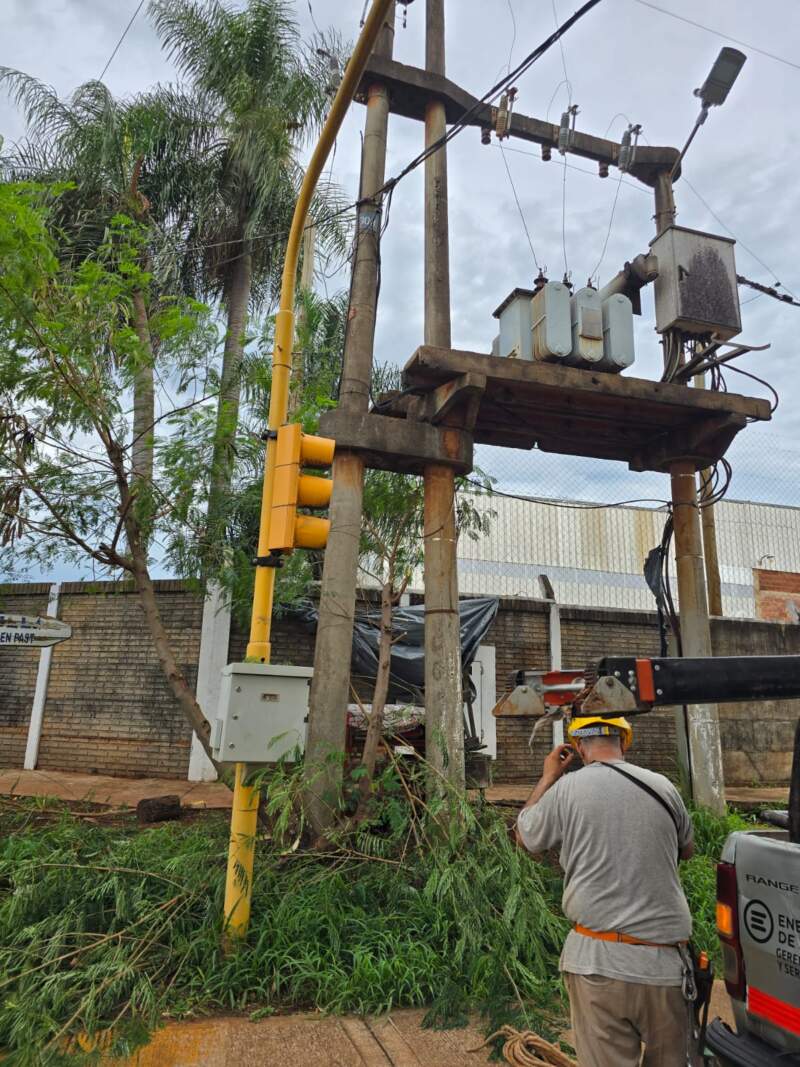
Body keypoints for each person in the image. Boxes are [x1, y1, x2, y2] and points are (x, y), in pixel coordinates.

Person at [516, 714, 695, 1067]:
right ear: (623, 741)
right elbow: (686, 849)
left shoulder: (568, 788)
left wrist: (549, 776)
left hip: (598, 963)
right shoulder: (663, 786)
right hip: (666, 965)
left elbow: (525, 836)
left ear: (579, 747)